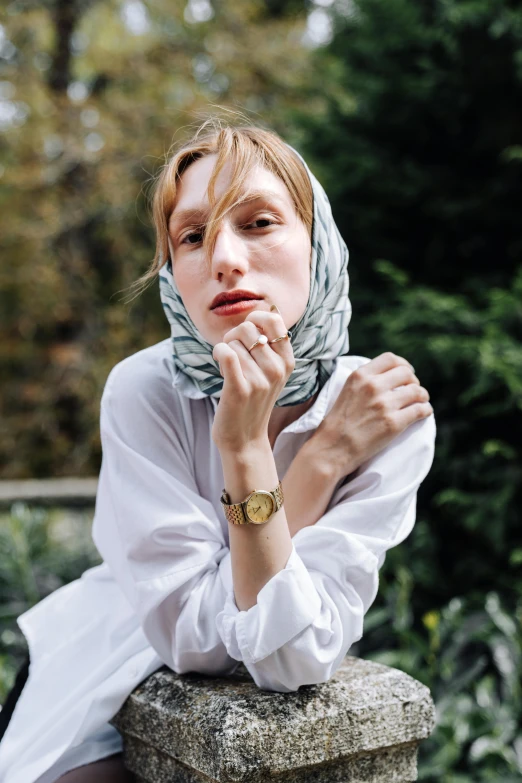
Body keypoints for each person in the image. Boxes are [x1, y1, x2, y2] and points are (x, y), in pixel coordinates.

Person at [0, 119, 436, 783]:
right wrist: (297, 455)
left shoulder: (382, 409)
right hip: (96, 671)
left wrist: (301, 448)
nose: (225, 258)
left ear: (319, 244)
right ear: (175, 272)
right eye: (194, 236)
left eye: (259, 222)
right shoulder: (144, 391)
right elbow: (199, 639)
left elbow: (291, 654)